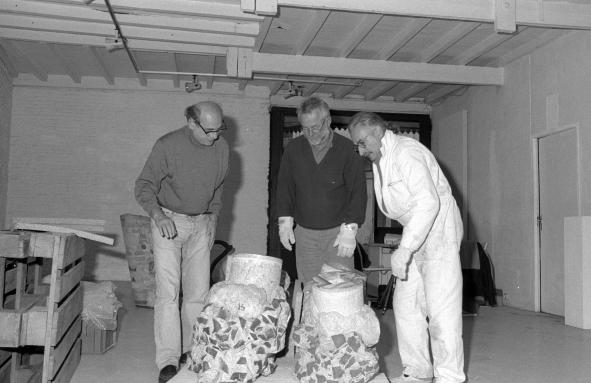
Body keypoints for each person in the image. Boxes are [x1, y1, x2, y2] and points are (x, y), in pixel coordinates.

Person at [348, 112, 464, 383]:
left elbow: (428, 203)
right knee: (406, 305)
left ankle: (449, 377)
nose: (361, 150)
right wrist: (409, 245)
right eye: (357, 145)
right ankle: (419, 371)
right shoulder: (381, 158)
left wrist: (405, 249)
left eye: (363, 142)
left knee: (441, 310)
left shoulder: (405, 152)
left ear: (378, 132)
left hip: (438, 230)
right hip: (417, 229)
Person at [134, 101, 229, 383]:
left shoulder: (222, 148)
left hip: (201, 223)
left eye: (219, 129)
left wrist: (213, 215)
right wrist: (158, 215)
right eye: (209, 130)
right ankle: (167, 359)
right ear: (191, 122)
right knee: (169, 292)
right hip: (168, 221)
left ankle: (193, 349)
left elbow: (220, 185)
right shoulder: (167, 145)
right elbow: (143, 186)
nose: (215, 136)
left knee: (199, 292)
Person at [276, 96, 367, 283]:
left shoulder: (348, 150)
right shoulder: (293, 149)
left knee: (339, 290)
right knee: (310, 289)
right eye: (305, 128)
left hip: (338, 235)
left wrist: (351, 228)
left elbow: (357, 192)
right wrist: (284, 220)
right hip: (304, 234)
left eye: (315, 127)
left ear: (328, 120)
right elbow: (285, 186)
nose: (310, 133)